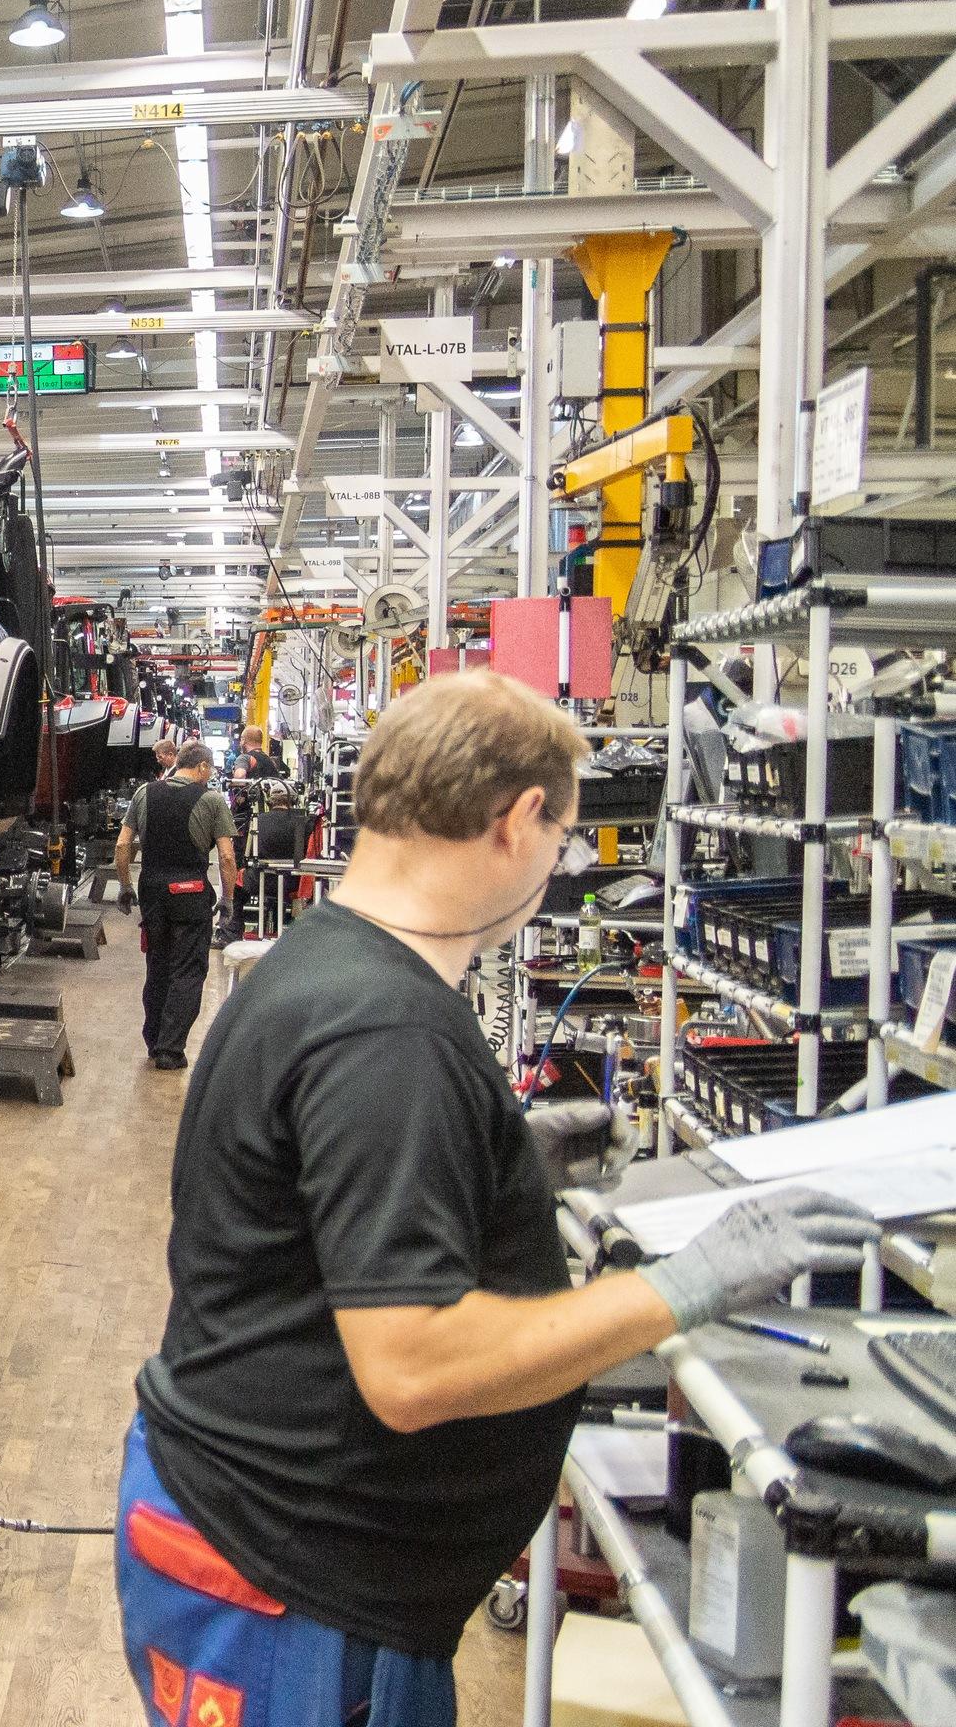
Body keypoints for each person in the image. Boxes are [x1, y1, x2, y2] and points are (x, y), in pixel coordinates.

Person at [116, 671, 880, 1726]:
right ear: (520, 821)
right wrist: (683, 1285)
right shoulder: (388, 1030)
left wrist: (494, 1161)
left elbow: (304, 1206)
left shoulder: (324, 964)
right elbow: (414, 1362)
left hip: (261, 1529)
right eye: (563, 838)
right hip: (298, 1578)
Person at [112, 743, 237, 1069]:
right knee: (188, 971)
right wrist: (227, 899)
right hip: (191, 896)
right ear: (204, 768)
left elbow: (123, 844)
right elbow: (226, 856)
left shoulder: (144, 794)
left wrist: (125, 887)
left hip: (153, 895)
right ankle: (169, 1049)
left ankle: (154, 1041)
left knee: (158, 967)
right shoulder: (211, 800)